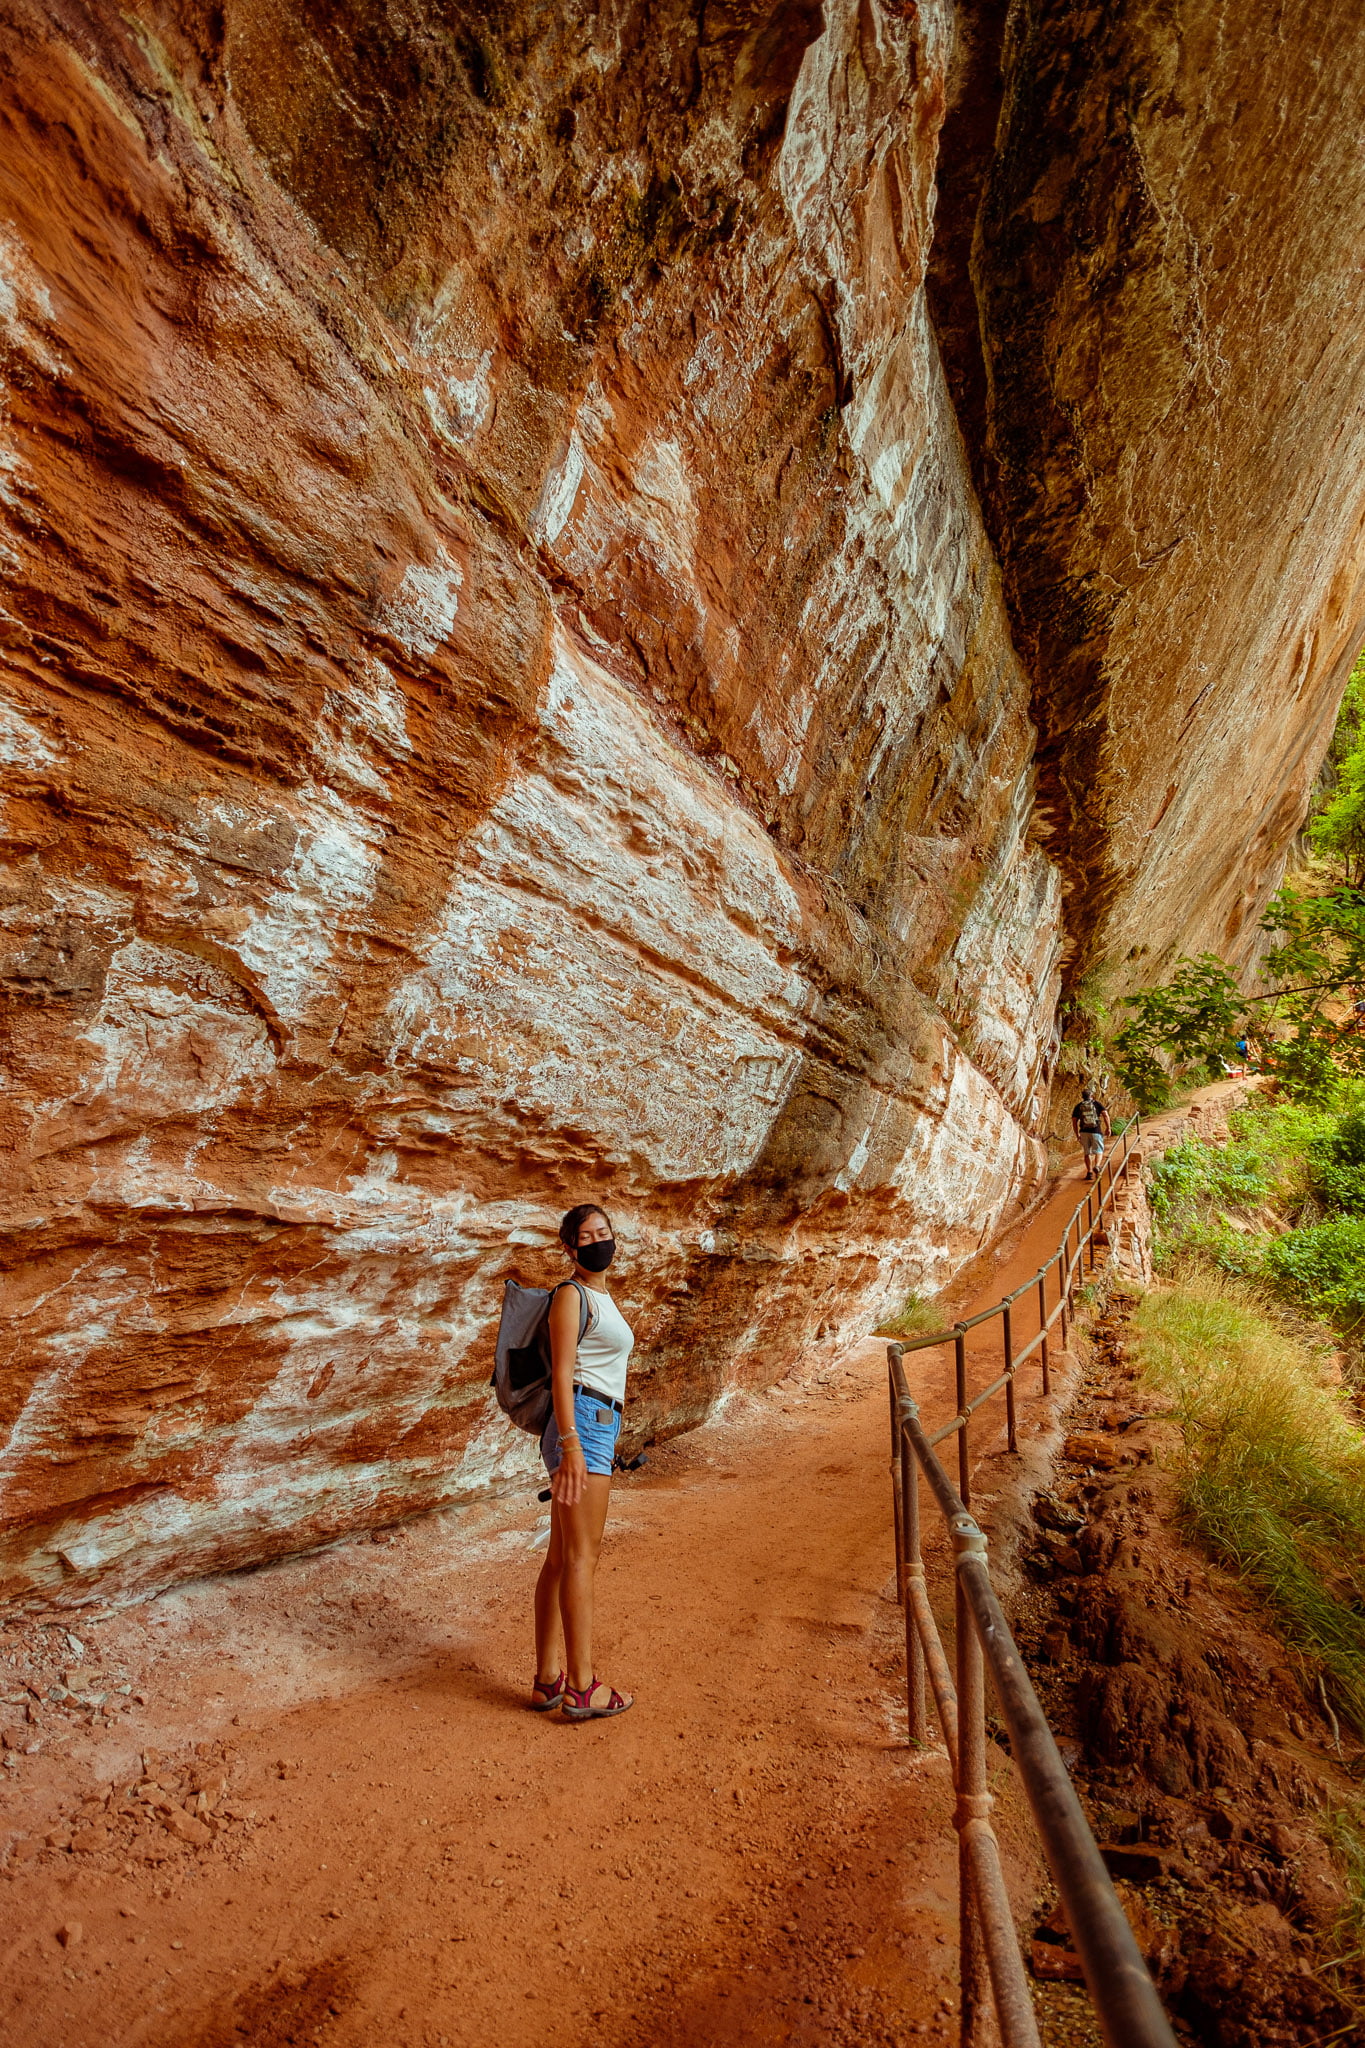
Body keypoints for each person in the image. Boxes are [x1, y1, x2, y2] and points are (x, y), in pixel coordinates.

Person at [530, 1204, 635, 1722]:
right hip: (583, 1425)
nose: (598, 1242)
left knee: (560, 1556)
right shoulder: (570, 1295)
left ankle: (548, 1679)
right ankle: (582, 1686)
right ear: (570, 1247)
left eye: (604, 1232)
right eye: (587, 1236)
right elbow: (563, 1373)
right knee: (581, 1558)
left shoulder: (602, 1298)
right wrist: (571, 1445)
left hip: (595, 1424)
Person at [1071, 1087, 1111, 1180]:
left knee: (1087, 1152)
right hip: (1096, 1131)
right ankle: (1097, 1166)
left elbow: (1074, 1120)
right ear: (1091, 1096)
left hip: (1084, 1131)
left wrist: (1077, 1134)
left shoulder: (1078, 1106)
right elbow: (1105, 1114)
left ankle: (1089, 1173)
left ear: (1082, 1097)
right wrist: (1108, 1127)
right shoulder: (1096, 1104)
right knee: (1099, 1150)